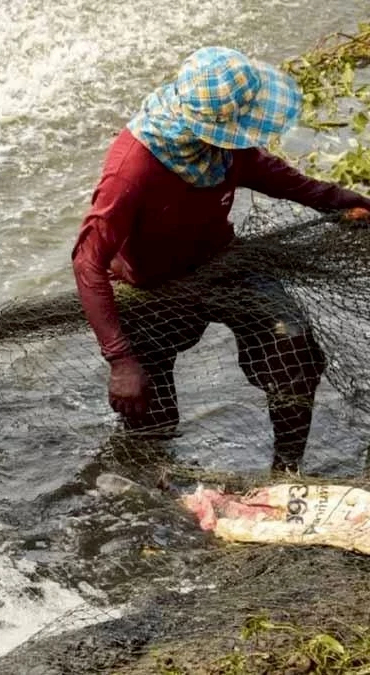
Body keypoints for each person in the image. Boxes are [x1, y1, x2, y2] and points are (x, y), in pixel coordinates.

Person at [72, 47, 370, 474]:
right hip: (151, 289)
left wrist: (339, 201)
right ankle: (152, 494)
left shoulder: (225, 146)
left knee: (294, 354)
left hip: (223, 265)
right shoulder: (133, 168)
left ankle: (285, 472)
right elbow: (87, 261)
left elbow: (274, 175)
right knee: (147, 412)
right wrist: (119, 359)